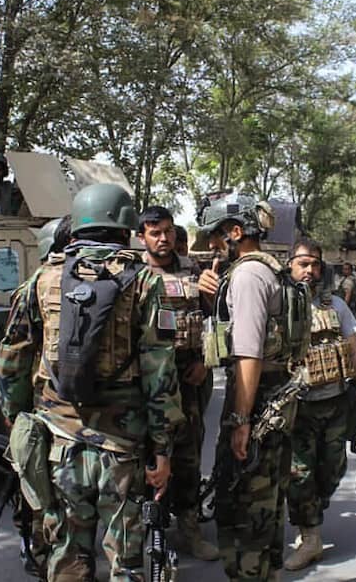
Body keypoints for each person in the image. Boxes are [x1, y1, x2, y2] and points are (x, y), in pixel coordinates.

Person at [0, 183, 184, 582]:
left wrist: (15, 420)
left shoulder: (42, 279)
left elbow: (12, 358)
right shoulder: (146, 283)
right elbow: (161, 373)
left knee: (65, 552)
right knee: (127, 560)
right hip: (123, 448)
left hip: (58, 443)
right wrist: (163, 449)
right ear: (125, 227)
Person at [196, 193, 310, 582]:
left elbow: (248, 354)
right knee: (267, 505)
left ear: (236, 231)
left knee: (242, 507)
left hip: (256, 403)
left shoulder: (246, 276)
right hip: (277, 400)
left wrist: (241, 419)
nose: (211, 244)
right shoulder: (272, 270)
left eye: (216, 235)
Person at [283, 239, 356, 571]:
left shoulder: (334, 305)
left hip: (336, 403)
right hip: (299, 407)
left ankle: (310, 518)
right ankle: (310, 536)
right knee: (300, 472)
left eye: (315, 264)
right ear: (290, 265)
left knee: (333, 469)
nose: (309, 270)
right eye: (303, 263)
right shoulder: (280, 304)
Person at [136, 206, 219, 561]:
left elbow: (215, 320)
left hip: (186, 378)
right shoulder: (130, 272)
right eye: (155, 232)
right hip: (144, 384)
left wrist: (204, 360)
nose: (163, 238)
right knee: (143, 460)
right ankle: (142, 533)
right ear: (142, 236)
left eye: (168, 231)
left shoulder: (193, 270)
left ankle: (188, 529)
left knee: (187, 459)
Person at [0, 215, 72, 578]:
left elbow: (12, 359)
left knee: (37, 489)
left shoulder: (33, 287)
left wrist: (13, 412)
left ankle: (42, 555)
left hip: (42, 412)